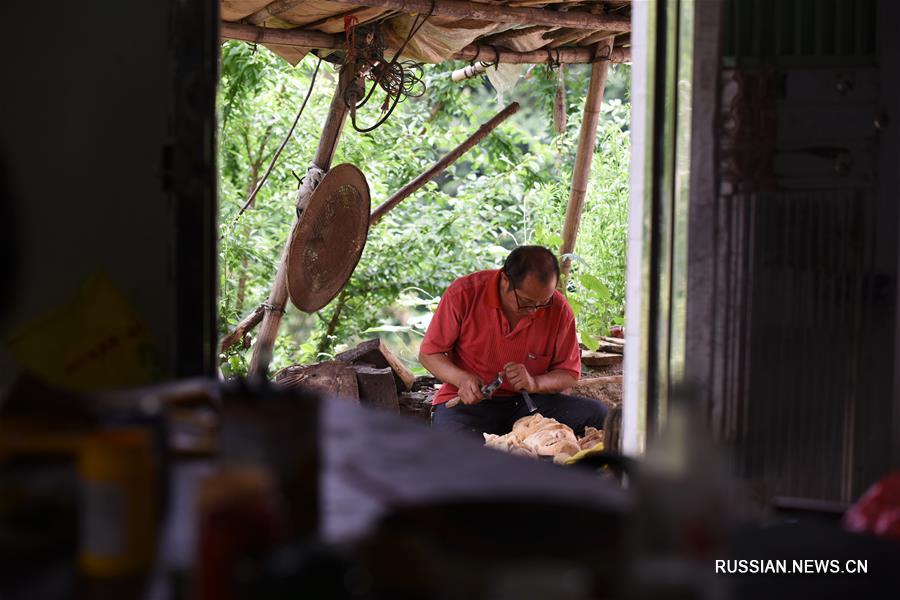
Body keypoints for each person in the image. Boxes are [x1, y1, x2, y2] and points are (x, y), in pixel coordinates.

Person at [419, 245, 607, 438]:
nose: (535, 310)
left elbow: (568, 374)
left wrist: (534, 383)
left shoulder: (558, 309)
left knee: (600, 417)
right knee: (458, 452)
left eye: (543, 301)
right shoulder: (464, 294)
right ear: (504, 280)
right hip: (468, 403)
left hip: (529, 403)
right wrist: (462, 379)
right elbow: (429, 354)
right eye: (526, 301)